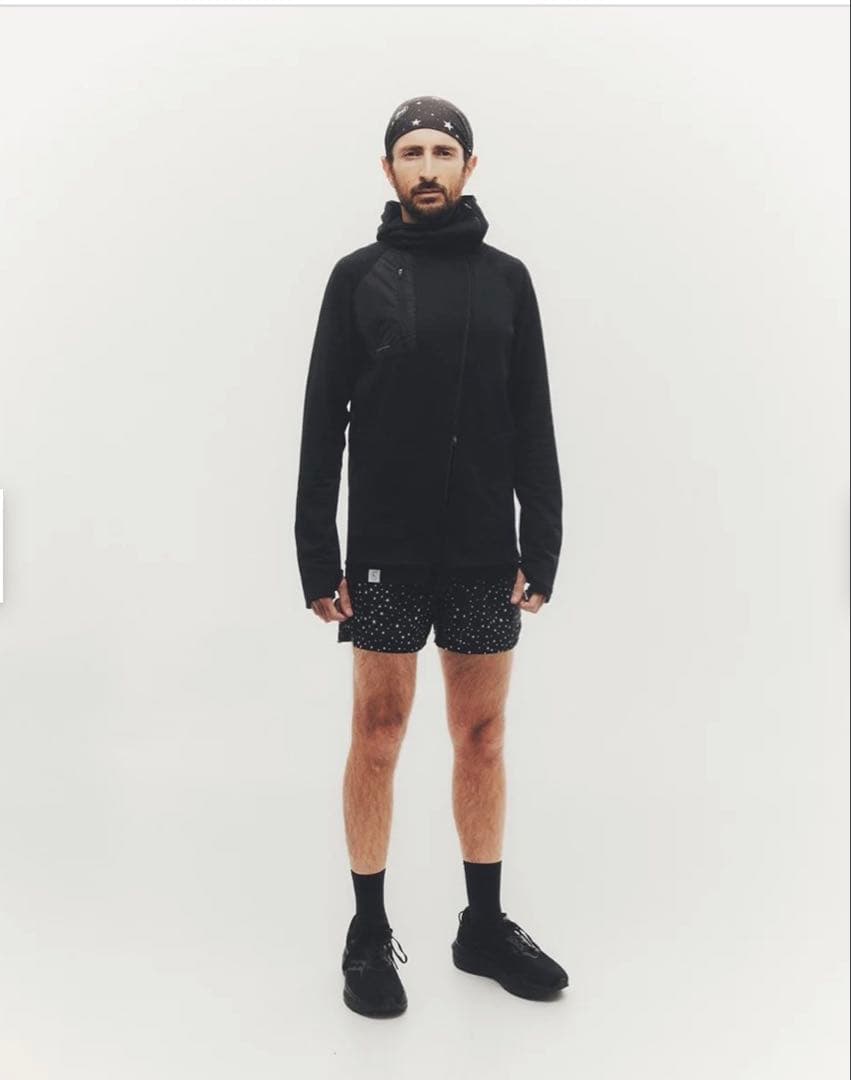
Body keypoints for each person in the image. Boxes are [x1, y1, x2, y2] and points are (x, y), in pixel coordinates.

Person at [295, 95, 568, 1018]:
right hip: (385, 551)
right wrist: (316, 550)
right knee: (377, 734)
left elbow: (532, 415)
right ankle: (367, 932)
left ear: (467, 167)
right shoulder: (357, 277)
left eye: (441, 152)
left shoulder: (507, 281)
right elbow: (321, 422)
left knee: (481, 737)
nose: (425, 166)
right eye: (409, 152)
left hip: (485, 550)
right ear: (388, 170)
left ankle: (480, 928)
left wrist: (543, 540)